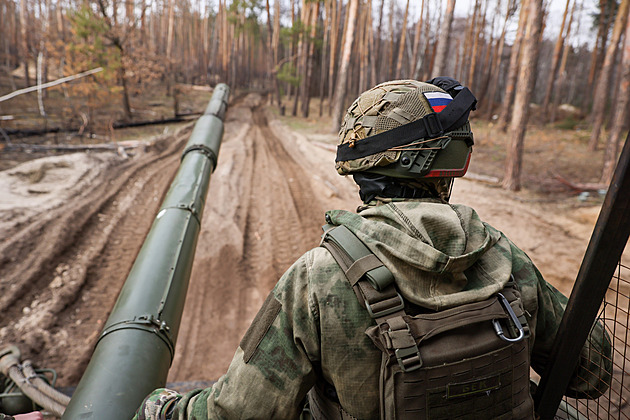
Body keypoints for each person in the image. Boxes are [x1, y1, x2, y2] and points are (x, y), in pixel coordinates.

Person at [134, 79, 611, 420]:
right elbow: (592, 374)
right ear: (446, 166)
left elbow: (239, 411)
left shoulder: (318, 277)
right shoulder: (505, 259)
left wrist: (164, 408)